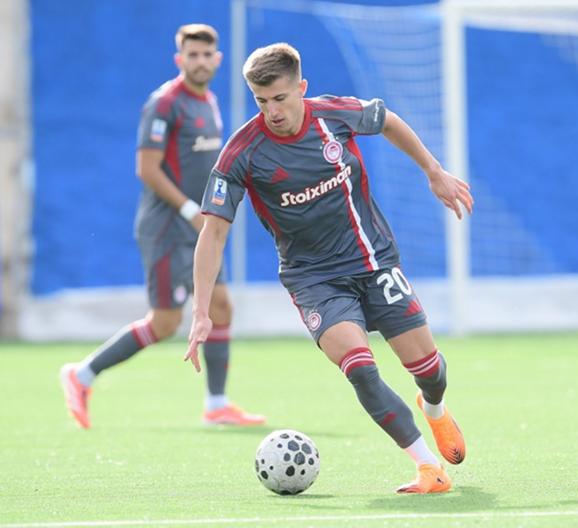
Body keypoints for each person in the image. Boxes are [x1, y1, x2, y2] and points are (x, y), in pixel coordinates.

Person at [185, 42, 473, 494]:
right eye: (261, 101)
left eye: (280, 98)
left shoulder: (334, 115)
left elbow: (388, 120)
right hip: (314, 280)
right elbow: (213, 232)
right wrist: (202, 311)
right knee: (360, 368)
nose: (272, 111)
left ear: (301, 87)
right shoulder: (241, 153)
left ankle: (433, 408)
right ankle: (427, 466)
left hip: (374, 260)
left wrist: (433, 171)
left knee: (429, 369)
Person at [60, 24, 265, 429]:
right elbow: (147, 169)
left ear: (218, 59)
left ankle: (217, 404)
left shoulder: (209, 102)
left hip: (200, 228)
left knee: (221, 307)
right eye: (192, 55)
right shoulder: (165, 103)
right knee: (166, 323)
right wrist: (189, 209)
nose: (200, 61)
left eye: (206, 55)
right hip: (167, 228)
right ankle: (81, 375)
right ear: (179, 59)